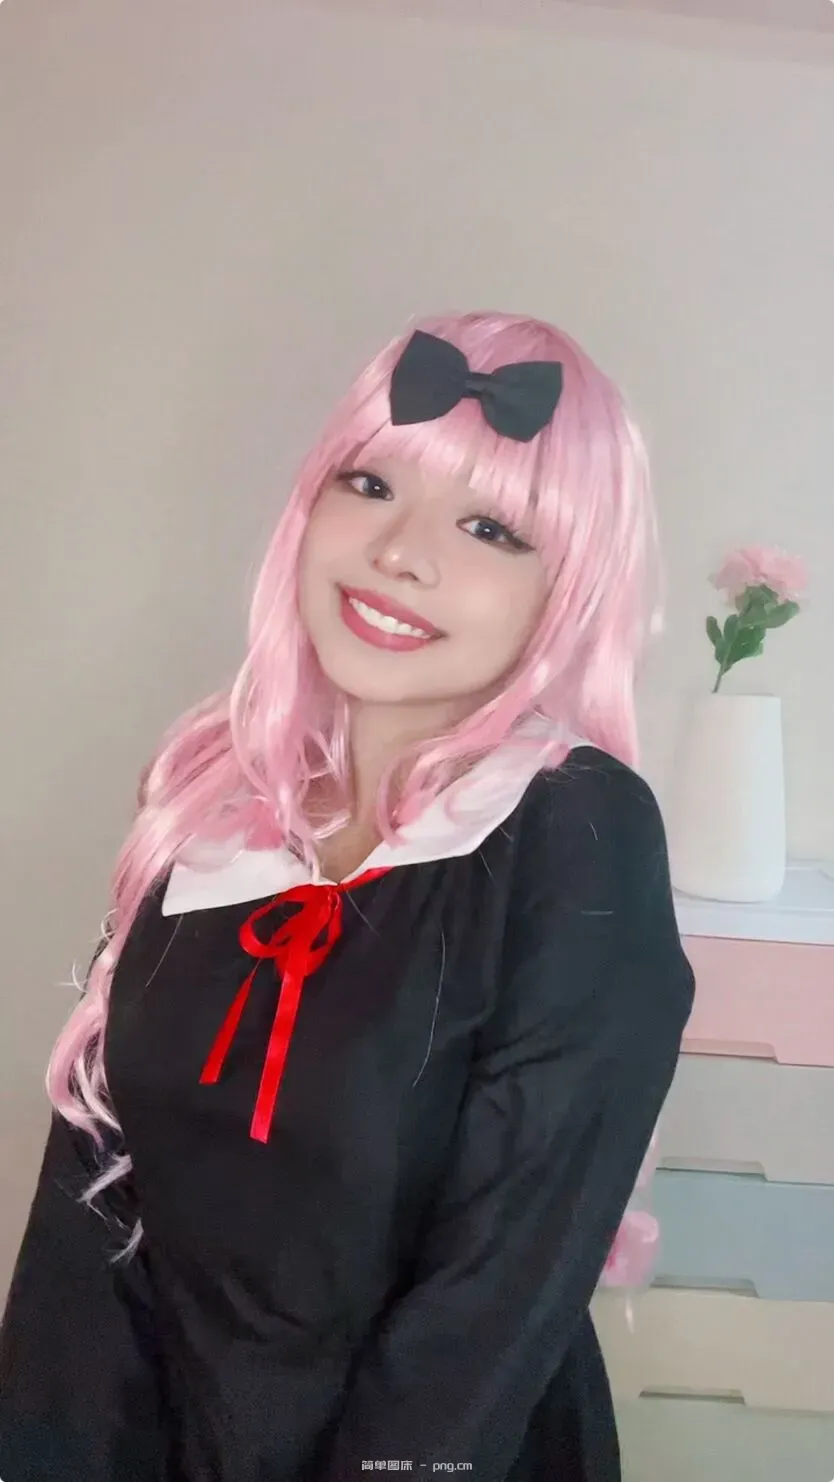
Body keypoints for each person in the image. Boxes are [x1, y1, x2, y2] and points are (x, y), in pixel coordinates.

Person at [0, 311, 695, 1482]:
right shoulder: (207, 814)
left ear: (566, 591)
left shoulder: (578, 834)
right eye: (369, 485)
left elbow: (495, 1300)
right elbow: (87, 1232)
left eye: (489, 528)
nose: (401, 553)